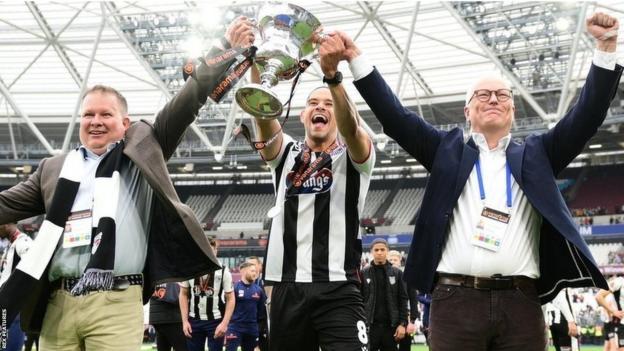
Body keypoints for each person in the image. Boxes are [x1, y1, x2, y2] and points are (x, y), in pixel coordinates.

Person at [328, 11, 621, 350]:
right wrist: (355, 59)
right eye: (483, 95)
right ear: (467, 111)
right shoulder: (446, 150)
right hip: (455, 301)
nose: (494, 99)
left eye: (503, 95)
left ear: (512, 110)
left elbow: (586, 117)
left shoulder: (538, 153)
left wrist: (606, 47)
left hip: (522, 302)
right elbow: (396, 117)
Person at [0, 18, 255, 350]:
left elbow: (187, 101)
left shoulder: (143, 149)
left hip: (117, 301)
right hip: (58, 302)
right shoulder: (53, 169)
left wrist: (221, 49)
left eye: (106, 115)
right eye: (89, 115)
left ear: (125, 123)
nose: (95, 121)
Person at [251, 30, 375, 351]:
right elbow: (263, 116)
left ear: (338, 112)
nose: (320, 107)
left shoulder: (355, 155)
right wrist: (257, 64)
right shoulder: (285, 154)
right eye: (312, 103)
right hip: (287, 288)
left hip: (339, 287)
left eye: (328, 104)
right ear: (304, 115)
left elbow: (353, 129)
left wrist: (333, 80)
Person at [179, 238, 235, 351]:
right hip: (193, 319)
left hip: (216, 320)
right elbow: (183, 294)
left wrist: (224, 323)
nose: (207, 252)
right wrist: (184, 321)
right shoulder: (189, 269)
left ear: (216, 251)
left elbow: (231, 298)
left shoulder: (224, 271)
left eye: (211, 249)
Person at [361, 239, 408, 351]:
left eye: (382, 249)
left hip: (390, 327)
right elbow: (359, 300)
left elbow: (403, 299)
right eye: (376, 250)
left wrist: (402, 324)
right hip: (370, 327)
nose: (379, 252)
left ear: (387, 251)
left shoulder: (397, 273)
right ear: (372, 252)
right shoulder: (364, 273)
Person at [0, 223, 32, 351]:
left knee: (8, 348)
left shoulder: (23, 242)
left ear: (7, 223)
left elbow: (34, 269)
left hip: (14, 311)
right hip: (6, 310)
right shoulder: (12, 244)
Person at [225, 262, 266, 351]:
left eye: (255, 271)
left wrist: (259, 327)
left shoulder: (259, 290)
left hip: (252, 329)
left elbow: (261, 312)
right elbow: (227, 306)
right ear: (243, 271)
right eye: (252, 271)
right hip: (235, 327)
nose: (254, 273)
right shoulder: (234, 288)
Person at [388, 250, 419, 351]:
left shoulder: (407, 278)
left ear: (400, 261)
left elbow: (414, 300)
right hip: (388, 320)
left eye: (395, 260)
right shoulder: (383, 276)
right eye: (390, 260)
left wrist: (412, 321)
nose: (393, 262)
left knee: (405, 348)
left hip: (405, 318)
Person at [150, 282, 187, 351]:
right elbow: (176, 297)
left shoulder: (155, 272)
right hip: (174, 317)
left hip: (156, 317)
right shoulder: (173, 272)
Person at [245, 256, 268, 351]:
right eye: (248, 265)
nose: (251, 267)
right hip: (248, 323)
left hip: (264, 322)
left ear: (260, 266)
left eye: (253, 264)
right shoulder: (243, 283)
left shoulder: (267, 281)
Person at [596, 275, 624, 350]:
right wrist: (613, 312)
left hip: (613, 322)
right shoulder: (619, 281)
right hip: (618, 323)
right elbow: (599, 296)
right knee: (613, 348)